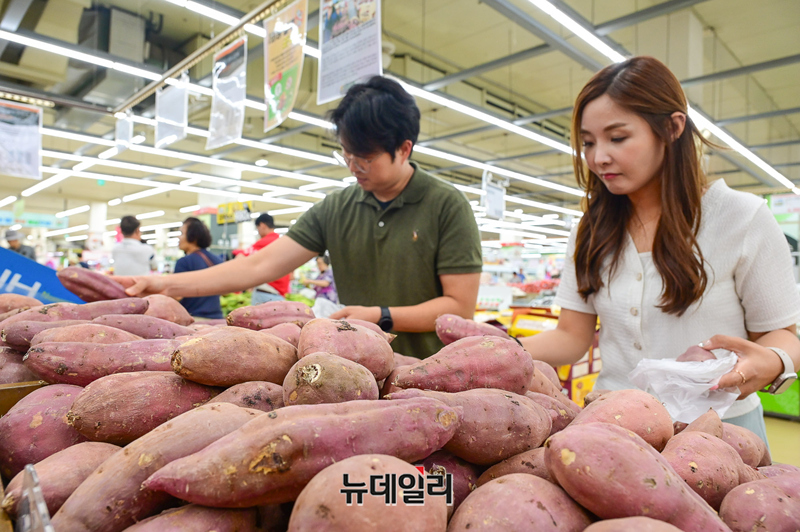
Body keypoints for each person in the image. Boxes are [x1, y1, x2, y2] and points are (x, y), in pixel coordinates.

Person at [520, 56, 800, 445]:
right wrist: (499, 348)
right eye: (588, 142)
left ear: (672, 127)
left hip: (720, 433)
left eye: (617, 138)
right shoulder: (591, 230)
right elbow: (571, 335)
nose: (598, 156)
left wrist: (773, 361)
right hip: (614, 426)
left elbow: (780, 334)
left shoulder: (742, 218)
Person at [115, 76, 483, 358]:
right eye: (346, 155)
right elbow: (257, 267)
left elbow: (459, 307)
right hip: (359, 367)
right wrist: (166, 284)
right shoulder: (337, 208)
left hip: (434, 370)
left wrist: (380, 315)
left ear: (404, 149)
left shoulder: (447, 206)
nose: (353, 167)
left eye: (365, 159)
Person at [234, 214, 290, 305]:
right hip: (280, 294)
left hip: (266, 294)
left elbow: (240, 259)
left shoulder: (265, 242)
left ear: (262, 226)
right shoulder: (282, 242)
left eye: (258, 228)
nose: (258, 232)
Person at [174, 217, 224, 319]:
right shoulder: (217, 260)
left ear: (193, 237)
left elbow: (177, 295)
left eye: (182, 233)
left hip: (194, 318)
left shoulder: (184, 262)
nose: (179, 237)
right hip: (217, 318)